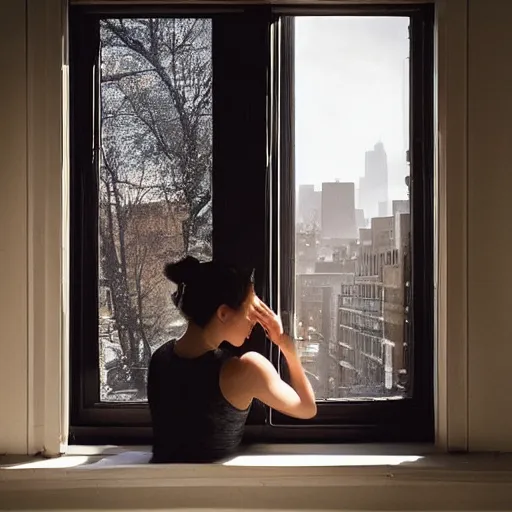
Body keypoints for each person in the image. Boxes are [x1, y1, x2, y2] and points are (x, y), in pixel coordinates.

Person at [147, 255, 317, 463]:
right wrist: (285, 345)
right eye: (251, 309)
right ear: (224, 314)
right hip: (221, 492)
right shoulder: (246, 371)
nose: (256, 320)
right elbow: (308, 408)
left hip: (159, 490)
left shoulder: (159, 359)